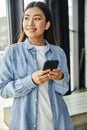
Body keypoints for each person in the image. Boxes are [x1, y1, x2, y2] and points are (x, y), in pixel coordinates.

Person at [0, 1, 74, 130]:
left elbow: (64, 89)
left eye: (37, 18)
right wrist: (31, 80)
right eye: (27, 18)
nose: (30, 23)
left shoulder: (58, 52)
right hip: (25, 124)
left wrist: (60, 78)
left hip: (58, 122)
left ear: (47, 25)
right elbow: (3, 90)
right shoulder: (12, 52)